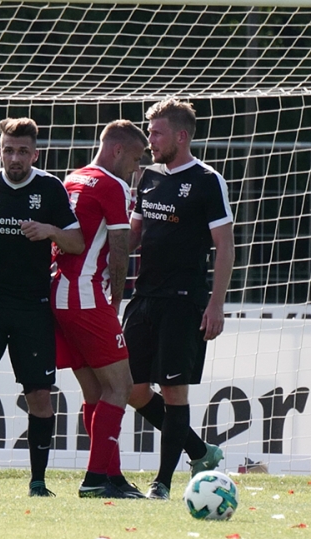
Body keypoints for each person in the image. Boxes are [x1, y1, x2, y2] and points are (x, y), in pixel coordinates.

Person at [0, 117, 84, 498]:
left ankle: (38, 483)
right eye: (8, 150)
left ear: (35, 154)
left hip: (32, 305)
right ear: (0, 151)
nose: (15, 158)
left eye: (23, 151)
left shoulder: (50, 188)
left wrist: (51, 231)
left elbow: (76, 241)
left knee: (39, 394)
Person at [124, 98, 234, 500]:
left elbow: (225, 246)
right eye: (149, 132)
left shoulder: (207, 180)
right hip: (144, 296)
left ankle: (162, 484)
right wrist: (101, 263)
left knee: (174, 392)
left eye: (157, 133)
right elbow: (135, 234)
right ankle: (200, 451)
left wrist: (216, 304)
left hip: (184, 301)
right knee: (130, 388)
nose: (149, 140)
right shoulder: (149, 176)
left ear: (181, 136)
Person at [52, 120, 149, 499]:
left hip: (60, 290)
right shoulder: (114, 185)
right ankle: (95, 479)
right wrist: (116, 299)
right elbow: (120, 247)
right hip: (87, 294)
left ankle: (112, 476)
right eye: (136, 159)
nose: (136, 169)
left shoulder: (72, 178)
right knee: (121, 386)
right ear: (117, 150)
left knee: (96, 391)